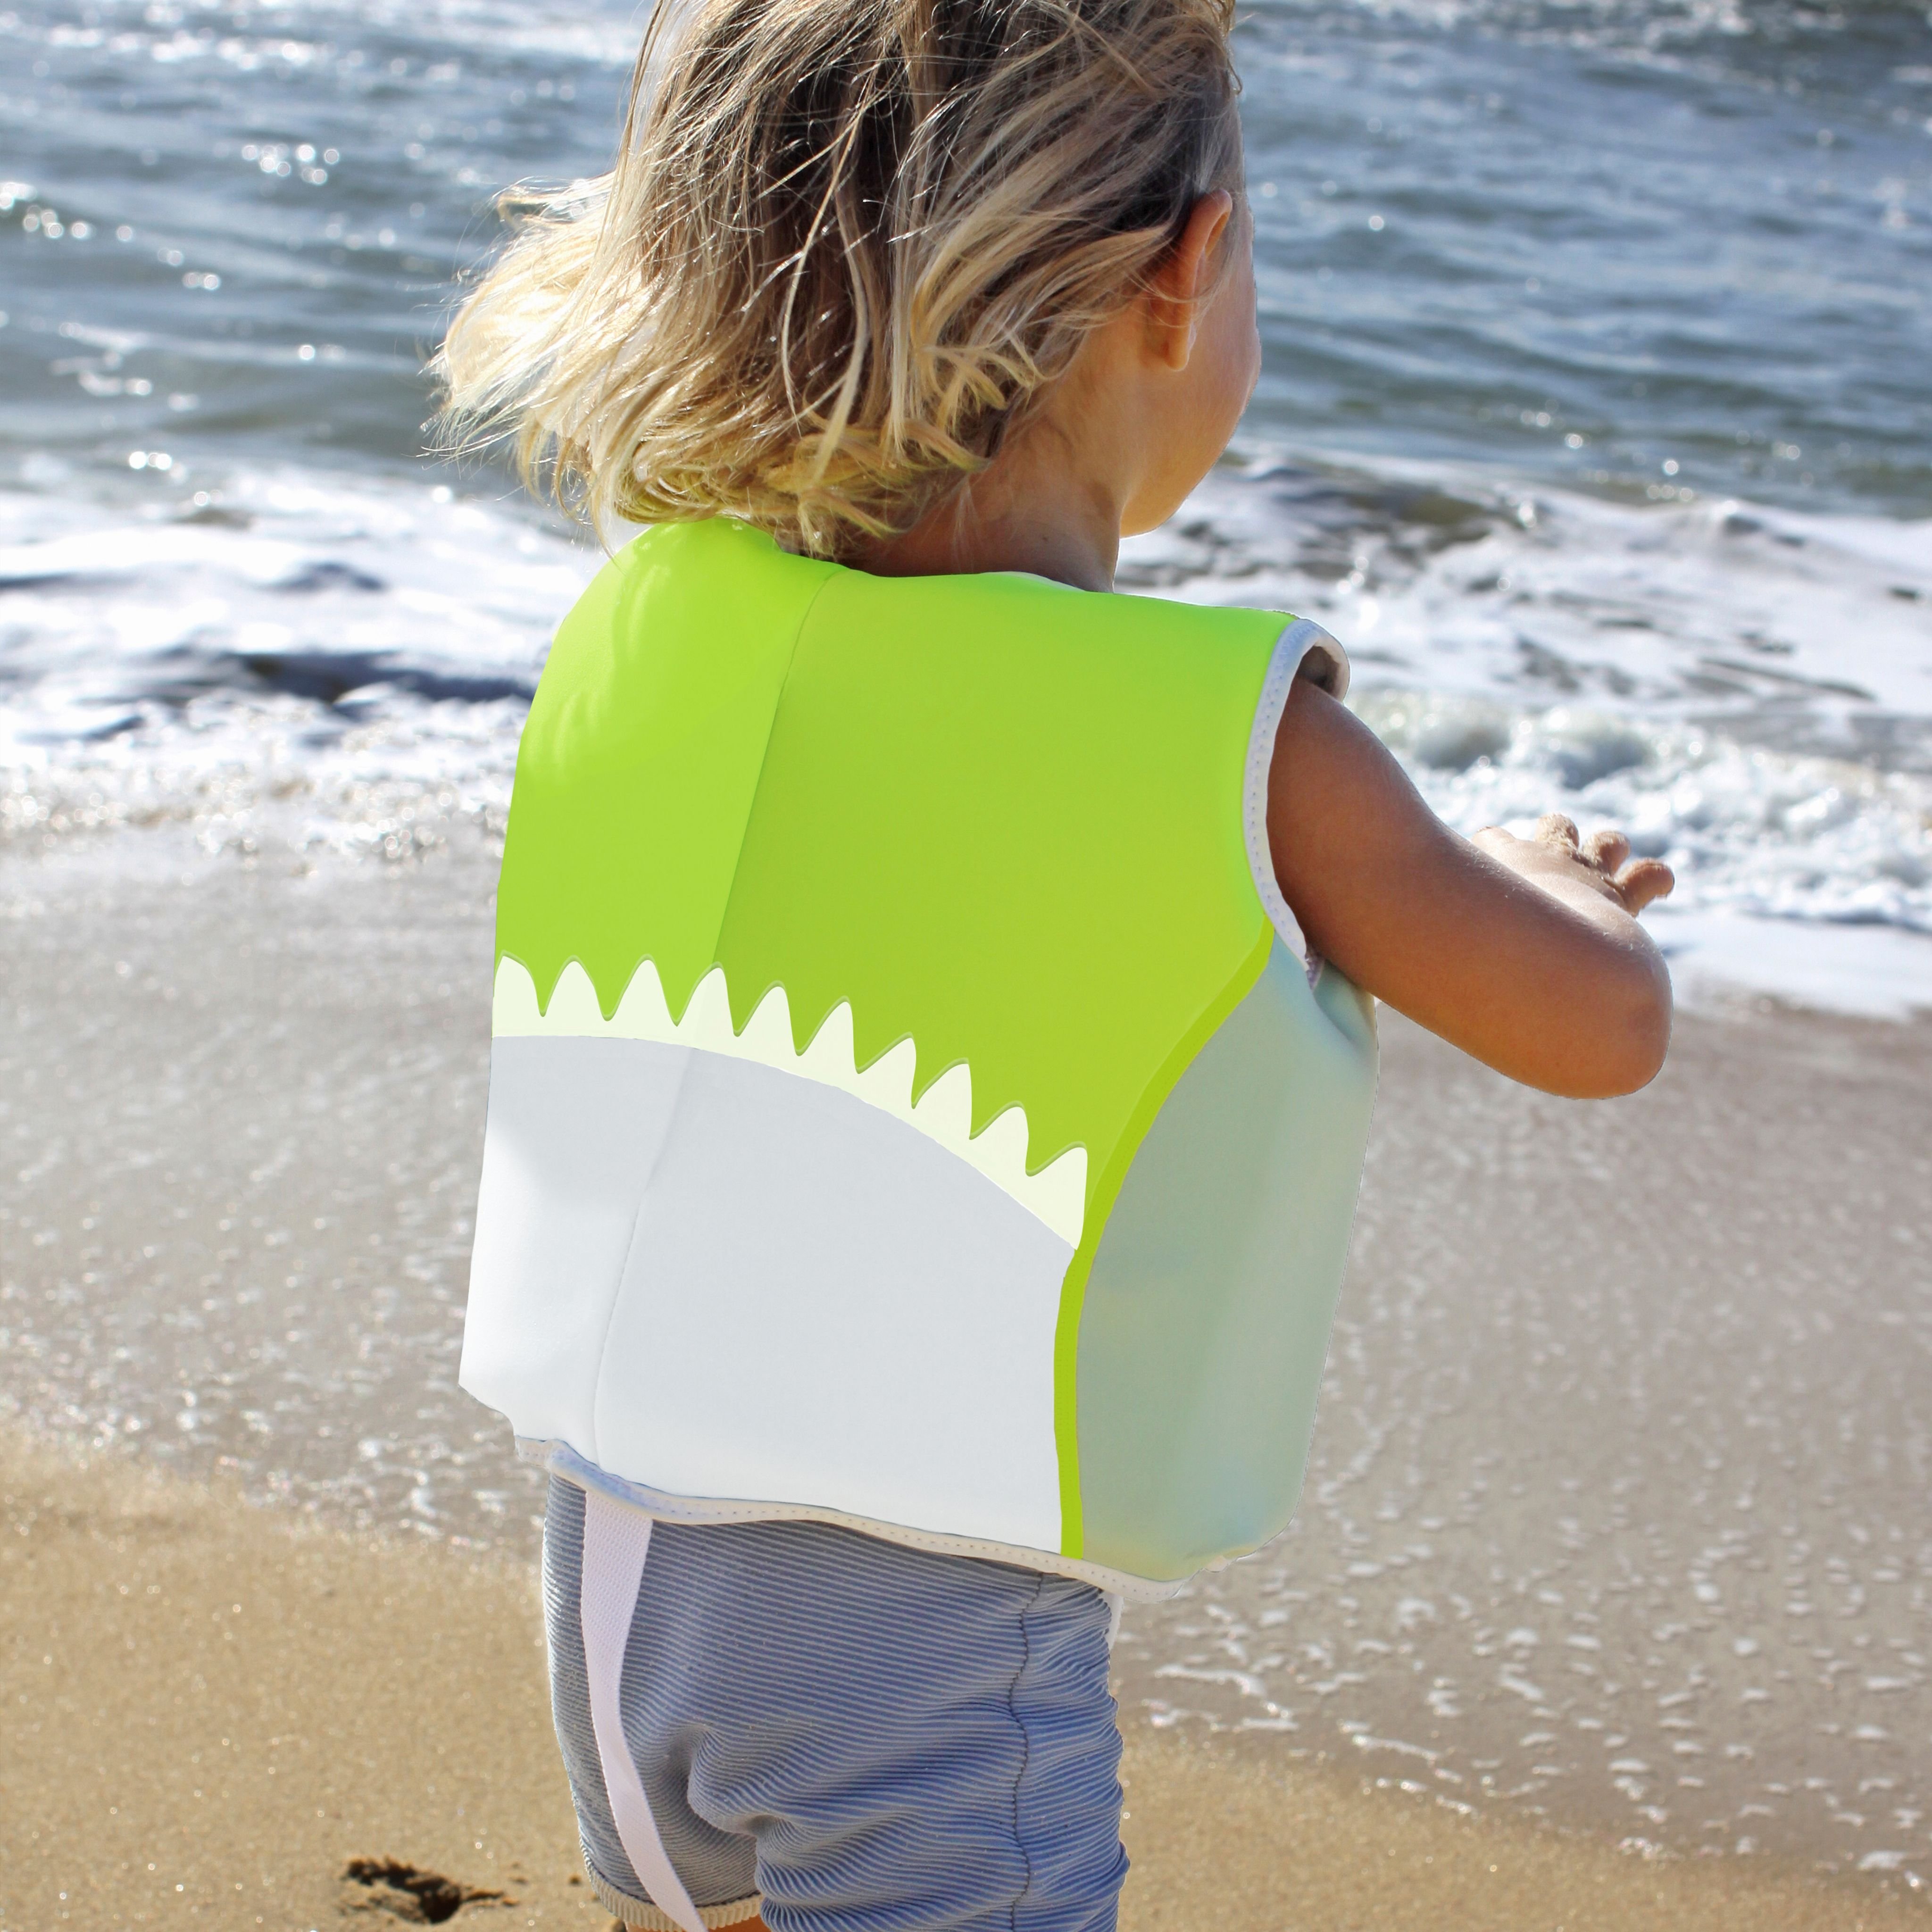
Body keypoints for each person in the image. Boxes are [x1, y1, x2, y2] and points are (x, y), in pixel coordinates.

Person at [438, 0, 1674, 1925]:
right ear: (1186, 274)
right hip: (910, 1660)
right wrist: (1549, 876)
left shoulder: (656, 615)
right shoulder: (1250, 750)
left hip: (610, 1586)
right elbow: (1596, 1025)